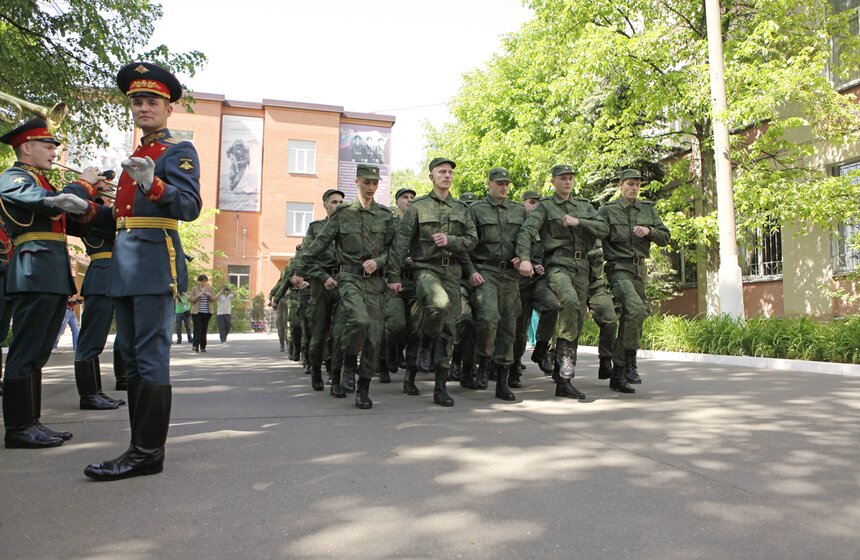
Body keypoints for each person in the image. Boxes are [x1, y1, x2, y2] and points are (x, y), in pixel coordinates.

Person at [84, 61, 202, 480]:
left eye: (152, 100)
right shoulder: (136, 154)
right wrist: (88, 209)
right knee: (132, 360)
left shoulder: (178, 151)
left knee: (151, 359)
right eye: (137, 101)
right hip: (128, 263)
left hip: (155, 262)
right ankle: (139, 446)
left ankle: (148, 451)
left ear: (169, 108)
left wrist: (155, 184)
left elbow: (189, 207)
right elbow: (123, 218)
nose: (143, 107)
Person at [0, 117, 108, 449]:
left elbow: (72, 222)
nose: (53, 152)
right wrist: (83, 184)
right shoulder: (12, 177)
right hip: (34, 268)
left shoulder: (42, 183)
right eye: (48, 146)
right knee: (25, 352)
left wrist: (96, 200)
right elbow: (55, 204)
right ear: (27, 148)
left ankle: (31, 421)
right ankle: (18, 427)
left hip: (50, 270)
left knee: (38, 353)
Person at [302, 164, 395, 409]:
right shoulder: (342, 215)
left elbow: (392, 250)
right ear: (357, 182)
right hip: (349, 279)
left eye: (375, 183)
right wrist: (321, 275)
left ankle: (363, 389)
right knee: (359, 321)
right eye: (366, 182)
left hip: (375, 283)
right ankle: (348, 363)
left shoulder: (385, 216)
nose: (371, 187)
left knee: (374, 338)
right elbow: (312, 253)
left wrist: (379, 261)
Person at [387, 157, 478, 406]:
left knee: (449, 329)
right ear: (431, 177)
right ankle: (419, 359)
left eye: (449, 172)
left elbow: (471, 240)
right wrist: (393, 276)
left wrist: (451, 241)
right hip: (426, 270)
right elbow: (401, 243)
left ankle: (440, 387)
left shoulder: (462, 208)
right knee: (438, 304)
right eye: (442, 172)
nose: (447, 176)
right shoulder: (418, 206)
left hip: (453, 272)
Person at [516, 164, 609, 400]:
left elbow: (603, 228)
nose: (567, 182)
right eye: (562, 178)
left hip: (582, 266)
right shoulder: (546, 206)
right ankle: (565, 357)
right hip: (557, 264)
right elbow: (526, 232)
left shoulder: (584, 206)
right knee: (567, 300)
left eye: (570, 178)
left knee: (576, 315)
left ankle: (564, 379)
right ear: (553, 181)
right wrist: (525, 259)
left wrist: (579, 222)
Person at [598, 168, 671, 392]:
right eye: (630, 183)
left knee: (633, 317)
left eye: (637, 185)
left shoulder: (647, 210)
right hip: (618, 268)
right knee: (636, 309)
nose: (634, 188)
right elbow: (595, 233)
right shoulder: (608, 210)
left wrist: (649, 231)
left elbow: (665, 237)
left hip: (640, 270)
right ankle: (630, 360)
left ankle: (618, 374)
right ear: (621, 185)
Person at [462, 168, 526, 401]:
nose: (504, 187)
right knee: (489, 318)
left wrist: (524, 256)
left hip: (510, 274)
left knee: (509, 325)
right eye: (499, 183)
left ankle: (502, 380)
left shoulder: (519, 211)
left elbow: (526, 238)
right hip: (485, 270)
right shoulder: (476, 210)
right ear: (489, 184)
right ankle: (483, 361)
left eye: (507, 183)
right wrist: (471, 272)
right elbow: (466, 244)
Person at [74, 193, 126, 410]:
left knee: (101, 340)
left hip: (112, 278)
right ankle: (88, 395)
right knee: (90, 341)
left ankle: (95, 391)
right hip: (102, 279)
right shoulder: (91, 220)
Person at [298, 188, 343, 391]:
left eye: (341, 202)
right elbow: (307, 259)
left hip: (344, 282)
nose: (338, 205)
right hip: (320, 285)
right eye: (334, 202)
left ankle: (336, 374)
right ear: (325, 205)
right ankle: (316, 369)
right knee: (319, 331)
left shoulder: (349, 229)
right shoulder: (316, 228)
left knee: (340, 332)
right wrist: (324, 278)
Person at [511, 190, 558, 387]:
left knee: (552, 306)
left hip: (538, 281)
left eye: (538, 203)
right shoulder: (514, 226)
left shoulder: (546, 229)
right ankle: (512, 367)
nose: (535, 207)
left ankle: (540, 350)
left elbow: (554, 252)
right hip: (517, 281)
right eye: (531, 202)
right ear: (523, 204)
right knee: (518, 327)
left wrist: (543, 266)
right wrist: (517, 261)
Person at [190, 274, 213, 352]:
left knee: (204, 329)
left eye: (205, 281)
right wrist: (198, 296)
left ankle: (203, 346)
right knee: (197, 328)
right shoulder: (194, 289)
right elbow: (191, 300)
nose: (203, 283)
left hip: (207, 312)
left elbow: (214, 299)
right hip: (196, 312)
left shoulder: (209, 288)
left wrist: (209, 296)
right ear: (198, 282)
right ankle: (195, 346)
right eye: (201, 281)